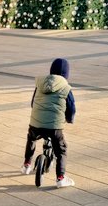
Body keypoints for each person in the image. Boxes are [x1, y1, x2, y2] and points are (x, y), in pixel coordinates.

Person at [22, 57, 76, 187]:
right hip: (54, 126)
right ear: (66, 74)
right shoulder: (66, 88)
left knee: (31, 138)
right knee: (61, 150)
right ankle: (60, 178)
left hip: (35, 123)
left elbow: (33, 102)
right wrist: (69, 119)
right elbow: (72, 108)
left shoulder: (40, 84)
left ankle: (27, 165)